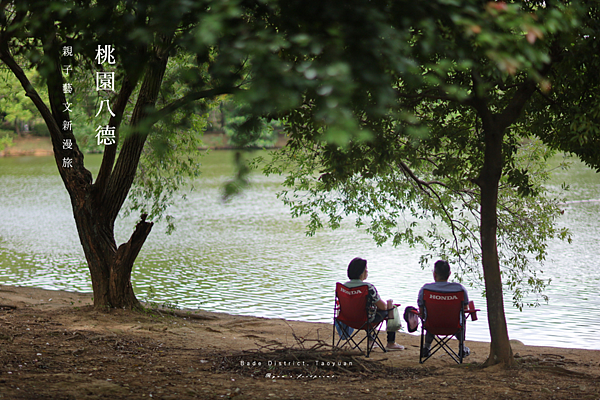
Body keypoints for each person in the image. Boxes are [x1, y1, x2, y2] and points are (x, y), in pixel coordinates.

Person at [342, 257, 404, 350]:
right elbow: (383, 307)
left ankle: (371, 341)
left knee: (368, 309)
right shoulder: (368, 287)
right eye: (366, 270)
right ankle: (391, 343)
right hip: (365, 320)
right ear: (361, 273)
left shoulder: (343, 287)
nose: (367, 272)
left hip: (347, 319)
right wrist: (390, 307)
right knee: (390, 309)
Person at [417, 260, 470, 357]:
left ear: (434, 274)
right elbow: (466, 309)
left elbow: (421, 311)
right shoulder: (459, 289)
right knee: (461, 316)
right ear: (449, 274)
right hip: (454, 326)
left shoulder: (425, 289)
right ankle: (461, 347)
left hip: (432, 326)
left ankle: (426, 347)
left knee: (429, 315)